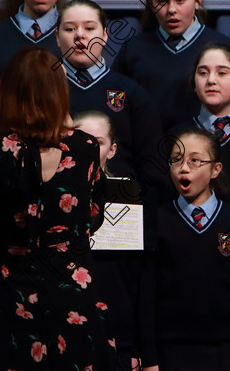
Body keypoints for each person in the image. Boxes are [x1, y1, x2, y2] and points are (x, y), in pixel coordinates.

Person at [0, 48, 118, 370]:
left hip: (14, 299)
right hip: (75, 298)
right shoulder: (86, 148)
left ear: (9, 93)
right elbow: (94, 217)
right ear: (60, 92)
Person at [55, 0, 168, 195]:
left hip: (120, 210)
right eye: (70, 29)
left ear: (105, 35)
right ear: (57, 37)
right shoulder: (44, 93)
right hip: (57, 206)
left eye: (89, 28)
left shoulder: (131, 92)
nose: (80, 35)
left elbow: (153, 167)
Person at [74, 111, 156, 371]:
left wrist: (140, 351)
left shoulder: (129, 196)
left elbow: (137, 281)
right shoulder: (50, 196)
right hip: (66, 333)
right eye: (80, 139)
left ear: (112, 150)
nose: (87, 148)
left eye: (97, 142)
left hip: (119, 341)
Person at [113, 0, 230, 130]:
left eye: (180, 0)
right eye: (162, 1)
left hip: (204, 153)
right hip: (148, 151)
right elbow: (115, 104)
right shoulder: (134, 49)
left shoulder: (222, 47)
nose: (171, 9)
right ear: (151, 2)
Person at [147, 128, 230, 370]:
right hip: (172, 349)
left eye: (195, 161)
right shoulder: (156, 221)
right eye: (177, 160)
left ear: (216, 169)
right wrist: (149, 358)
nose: (184, 168)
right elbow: (146, 293)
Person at [172, 43, 230, 174]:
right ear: (194, 83)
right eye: (203, 73)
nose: (211, 80)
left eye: (222, 73)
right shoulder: (177, 136)